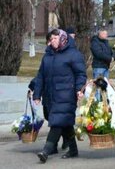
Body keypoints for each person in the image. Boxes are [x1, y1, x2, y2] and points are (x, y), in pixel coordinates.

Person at [33, 29, 86, 163]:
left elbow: (81, 74)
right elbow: (40, 76)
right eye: (51, 39)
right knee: (65, 122)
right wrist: (37, 94)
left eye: (55, 39)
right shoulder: (48, 55)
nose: (52, 41)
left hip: (66, 94)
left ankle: (46, 150)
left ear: (63, 38)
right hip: (51, 95)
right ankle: (73, 150)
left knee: (57, 121)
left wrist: (80, 89)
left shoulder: (73, 54)